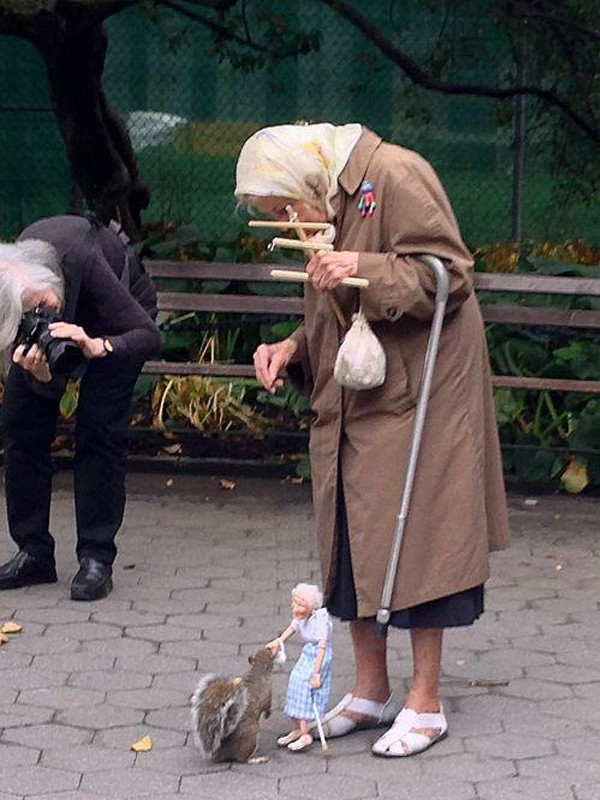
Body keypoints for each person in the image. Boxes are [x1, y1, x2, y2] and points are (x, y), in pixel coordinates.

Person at [236, 123, 509, 757]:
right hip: (358, 394)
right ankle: (368, 690)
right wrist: (292, 348)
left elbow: (451, 275)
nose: (287, 219)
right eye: (274, 216)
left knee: (422, 539)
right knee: (352, 535)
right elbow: (339, 316)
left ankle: (426, 702)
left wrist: (364, 264)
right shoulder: (326, 205)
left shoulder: (394, 175)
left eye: (284, 207)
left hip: (426, 392)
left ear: (309, 178)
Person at [0, 215, 161, 601]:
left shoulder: (83, 260)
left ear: (48, 281)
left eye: (44, 305)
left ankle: (96, 557)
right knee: (19, 424)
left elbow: (148, 336)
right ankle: (33, 552)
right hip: (67, 316)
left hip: (120, 325)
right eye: (29, 317)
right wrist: (41, 377)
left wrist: (98, 346)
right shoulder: (11, 286)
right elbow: (44, 384)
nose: (44, 317)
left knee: (99, 430)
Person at [268, 582, 332, 752]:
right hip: (308, 654)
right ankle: (296, 729)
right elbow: (292, 628)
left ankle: (305, 733)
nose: (294, 607)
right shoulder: (301, 618)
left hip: (318, 657)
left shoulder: (320, 621)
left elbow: (322, 648)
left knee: (305, 689)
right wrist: (279, 641)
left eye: (299, 604)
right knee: (295, 683)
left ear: (310, 606)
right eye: (294, 603)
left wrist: (316, 673)